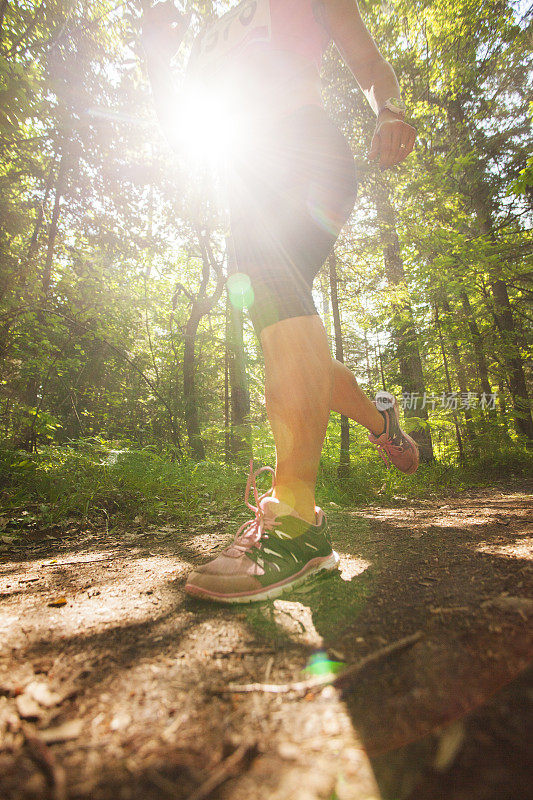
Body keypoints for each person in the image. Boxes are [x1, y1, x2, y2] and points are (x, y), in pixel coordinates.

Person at [141, 0, 419, 603]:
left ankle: (297, 518)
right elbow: (179, 117)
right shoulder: (213, 27)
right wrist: (158, 47)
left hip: (306, 151)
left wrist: (389, 110)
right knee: (283, 322)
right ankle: (381, 419)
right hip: (246, 178)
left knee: (272, 284)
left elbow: (368, 60)